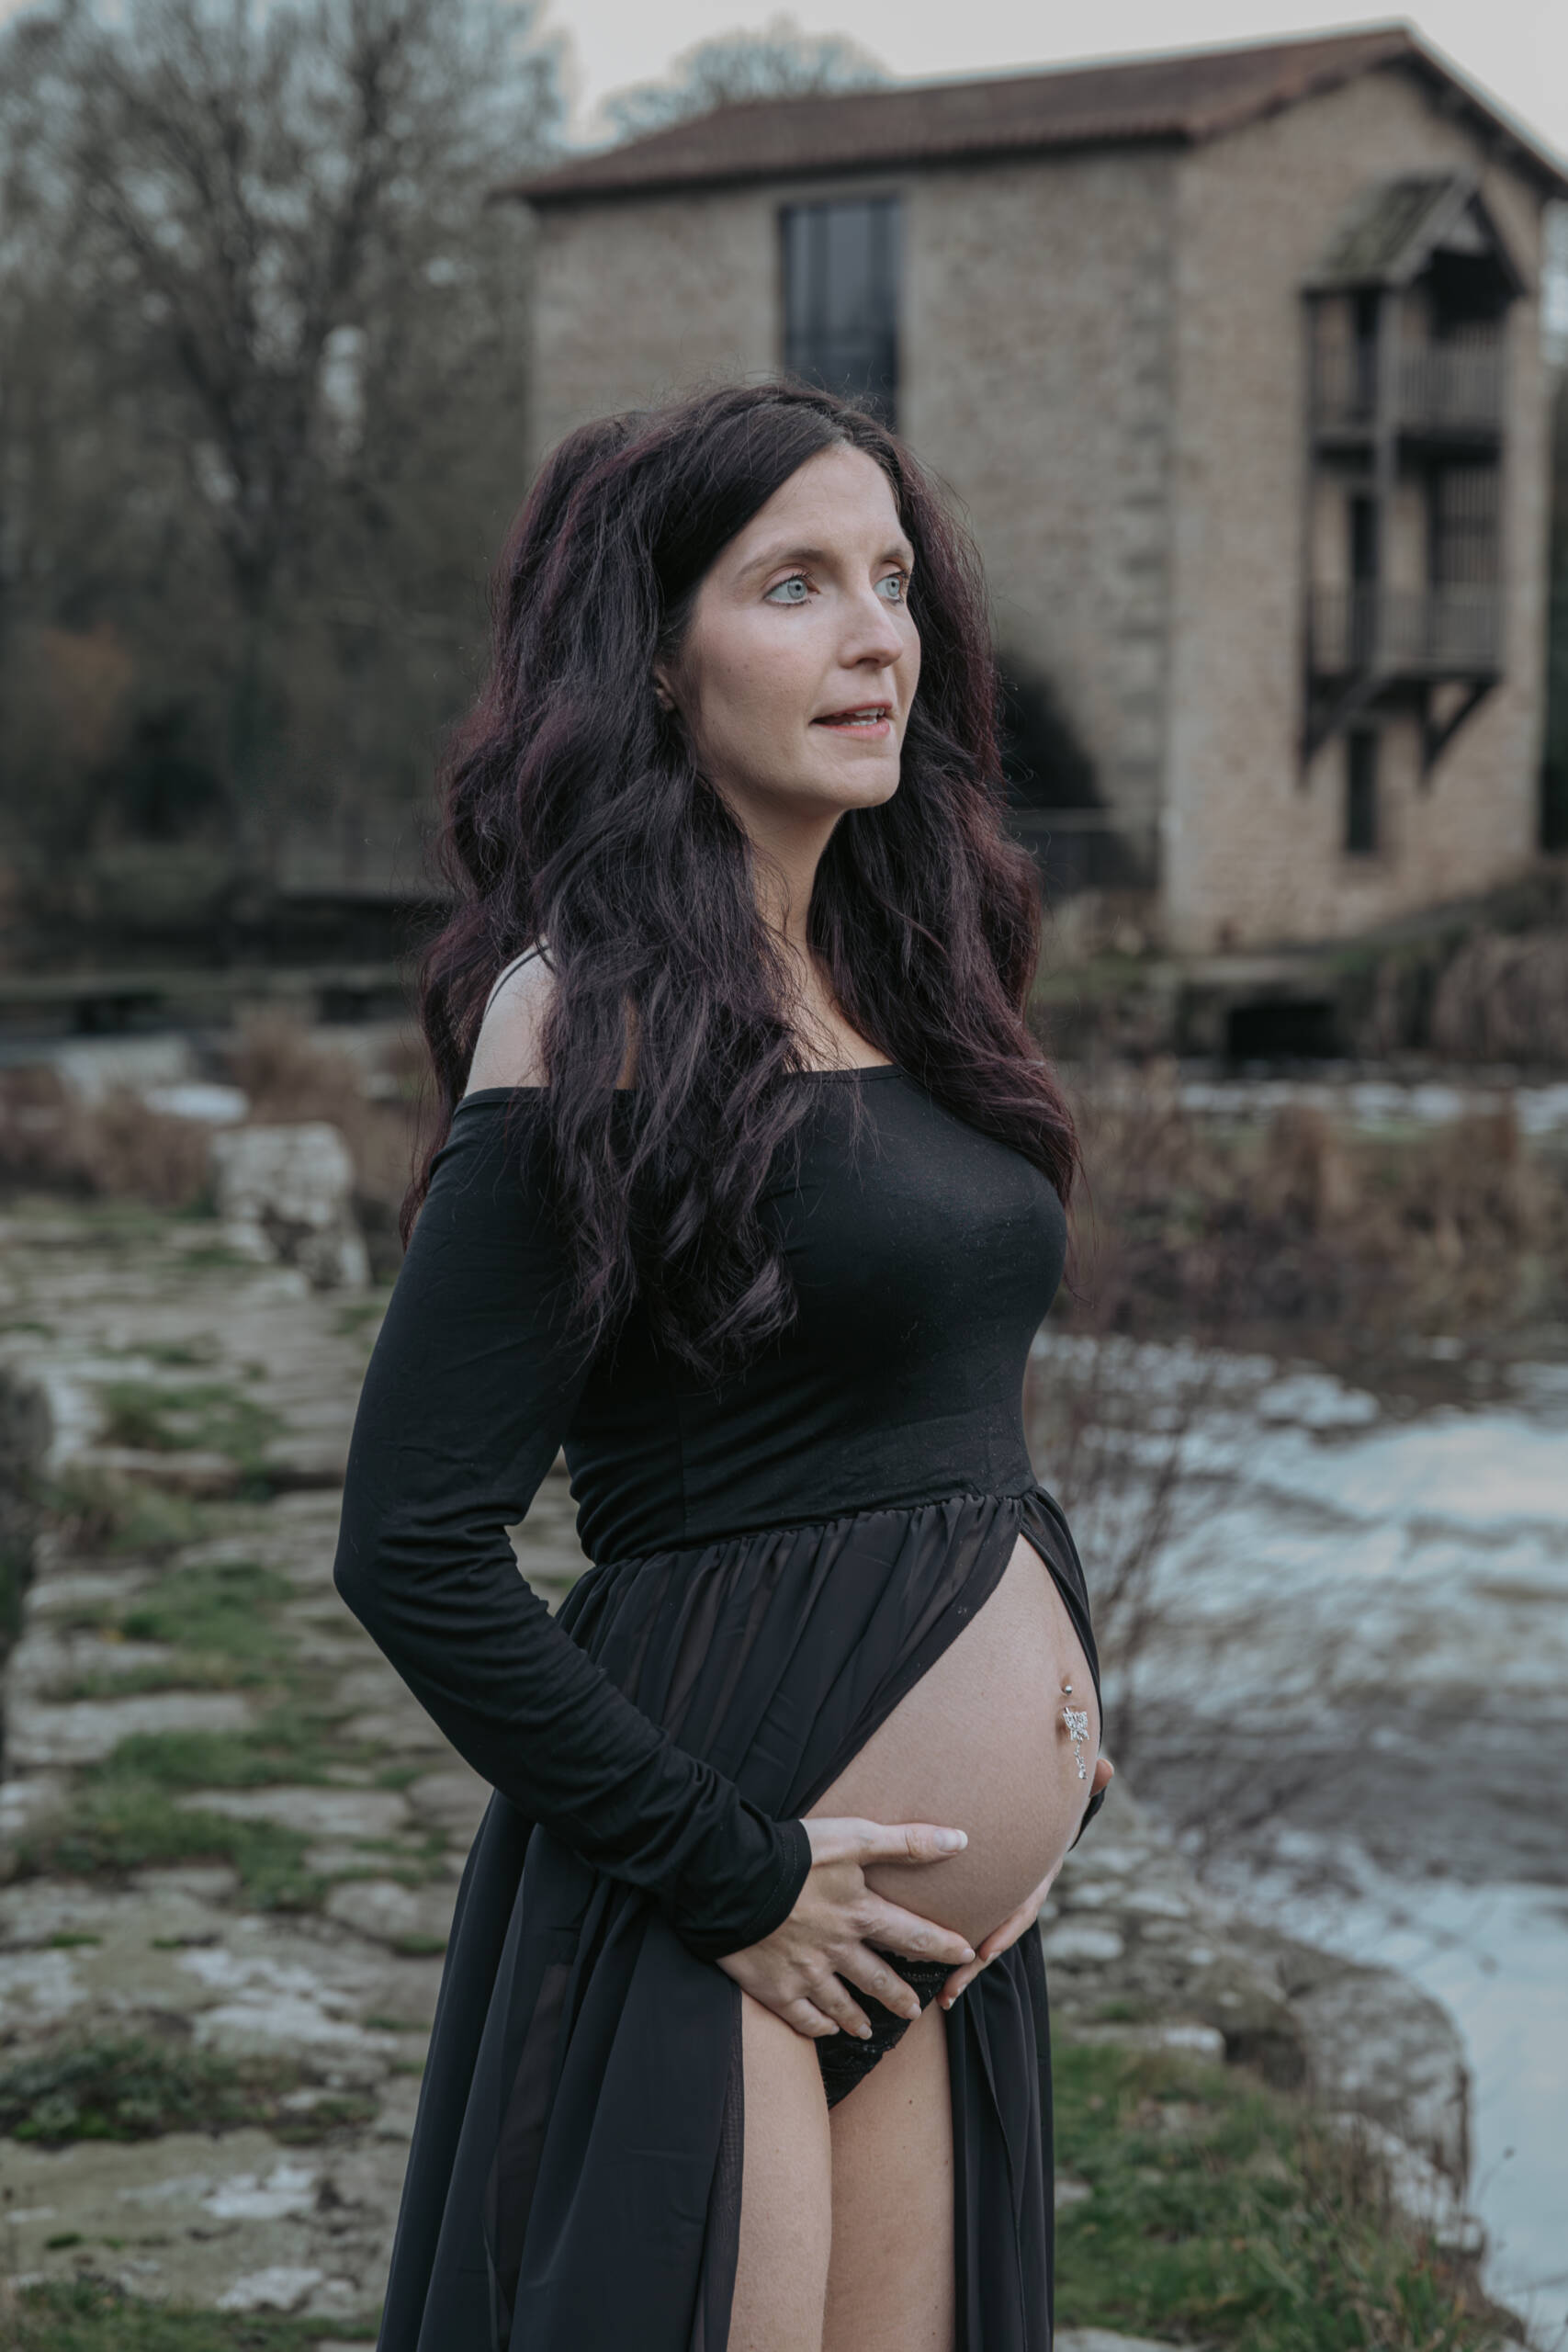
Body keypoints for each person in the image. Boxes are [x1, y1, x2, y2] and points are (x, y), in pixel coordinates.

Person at [333, 379, 1112, 2352]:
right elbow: (410, 1541)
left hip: (913, 1929)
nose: (875, 637)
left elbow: (935, 1418)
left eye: (893, 581)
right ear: (656, 664)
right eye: (793, 586)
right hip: (736, 1896)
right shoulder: (580, 1014)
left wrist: (1058, 1736)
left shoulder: (905, 972)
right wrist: (733, 1870)